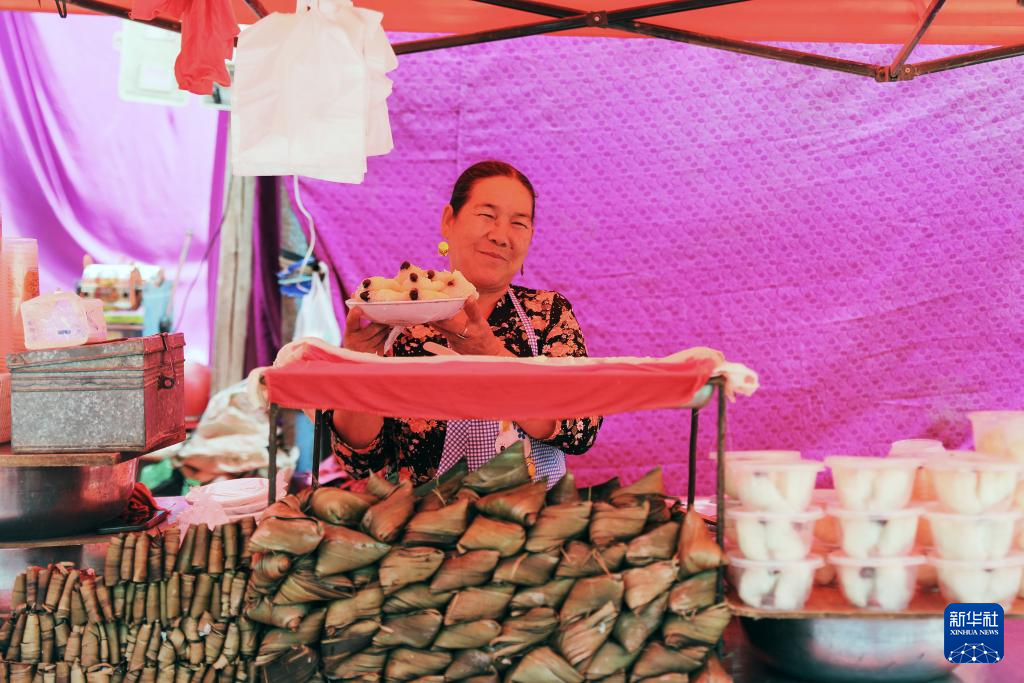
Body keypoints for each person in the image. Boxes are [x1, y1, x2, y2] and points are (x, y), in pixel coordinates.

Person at [329, 160, 602, 486]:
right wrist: (361, 370)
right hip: (422, 515)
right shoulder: (397, 316)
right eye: (487, 215)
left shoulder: (547, 314)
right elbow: (361, 464)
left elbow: (581, 429)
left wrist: (493, 356)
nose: (500, 236)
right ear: (449, 220)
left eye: (519, 223)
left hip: (527, 513)